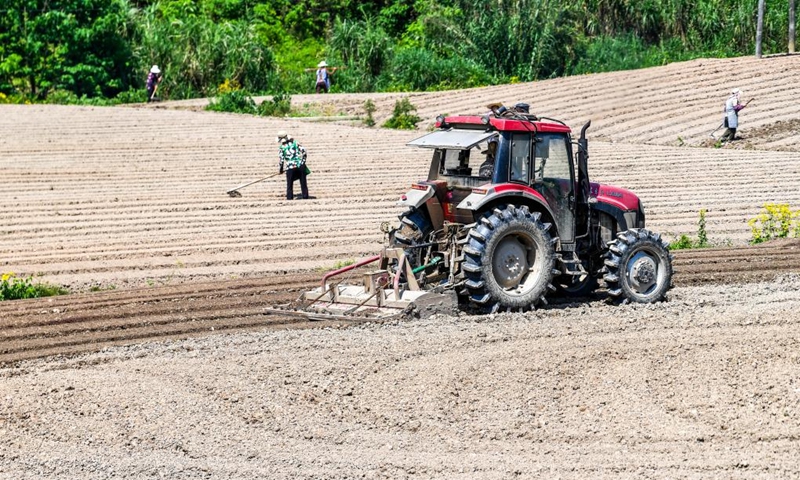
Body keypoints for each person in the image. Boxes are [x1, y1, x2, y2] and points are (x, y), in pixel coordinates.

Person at [277, 131, 309, 200]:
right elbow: (304, 152)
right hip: (300, 165)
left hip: (290, 167)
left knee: (289, 185)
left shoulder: (282, 148)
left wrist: (281, 170)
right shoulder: (295, 143)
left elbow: (281, 160)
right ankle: (305, 197)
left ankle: (289, 198)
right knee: (303, 183)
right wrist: (303, 162)